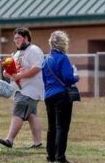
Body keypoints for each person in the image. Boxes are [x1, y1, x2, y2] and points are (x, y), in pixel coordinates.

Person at [0, 27, 45, 149]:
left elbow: (37, 68)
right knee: (31, 116)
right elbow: (15, 71)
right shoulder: (17, 53)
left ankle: (9, 139)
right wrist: (7, 73)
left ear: (26, 38)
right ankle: (38, 143)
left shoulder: (34, 50)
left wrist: (21, 75)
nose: (16, 41)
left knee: (18, 111)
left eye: (18, 38)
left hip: (30, 89)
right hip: (20, 88)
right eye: (14, 39)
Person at [42, 31, 79, 163]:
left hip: (48, 95)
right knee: (62, 126)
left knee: (51, 127)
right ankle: (60, 156)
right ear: (63, 43)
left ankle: (50, 155)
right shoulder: (63, 58)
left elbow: (44, 80)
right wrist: (76, 76)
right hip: (61, 95)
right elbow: (68, 78)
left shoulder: (45, 59)